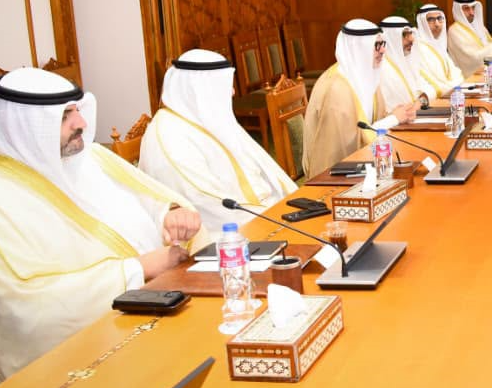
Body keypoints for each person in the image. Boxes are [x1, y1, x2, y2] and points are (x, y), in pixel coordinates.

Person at [0, 69, 205, 377]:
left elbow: (148, 199)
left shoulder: (91, 158)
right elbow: (27, 310)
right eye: (64, 116)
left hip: (164, 301)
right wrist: (138, 270)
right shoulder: (7, 197)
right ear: (25, 128)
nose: (81, 123)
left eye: (77, 111)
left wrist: (171, 214)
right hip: (92, 352)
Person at [139, 49, 298, 231]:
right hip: (223, 235)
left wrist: (294, 206)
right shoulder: (170, 137)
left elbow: (264, 168)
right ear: (199, 90)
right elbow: (210, 207)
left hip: (264, 214)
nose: (232, 92)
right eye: (223, 85)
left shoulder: (207, 119)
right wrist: (277, 219)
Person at [303, 19, 421, 176]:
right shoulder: (337, 88)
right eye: (376, 45)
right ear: (358, 49)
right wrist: (393, 119)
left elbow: (368, 123)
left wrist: (398, 115)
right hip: (333, 175)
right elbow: (345, 147)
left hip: (366, 166)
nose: (383, 51)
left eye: (383, 44)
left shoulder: (366, 75)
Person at [448, 0, 492, 76]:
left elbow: (490, 50)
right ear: (458, 10)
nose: (471, 12)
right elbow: (474, 59)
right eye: (466, 8)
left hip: (488, 73)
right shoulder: (454, 31)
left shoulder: (480, 27)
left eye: (473, 7)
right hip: (468, 78)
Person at [378, 16, 435, 110]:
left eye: (410, 34)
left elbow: (430, 89)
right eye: (404, 35)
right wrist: (419, 101)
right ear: (390, 38)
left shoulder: (408, 60)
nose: (411, 39)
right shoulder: (383, 68)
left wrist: (421, 101)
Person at [414, 3, 465, 97]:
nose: (437, 24)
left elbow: (457, 74)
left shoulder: (439, 46)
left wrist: (454, 88)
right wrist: (450, 89)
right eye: (431, 20)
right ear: (422, 23)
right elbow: (425, 83)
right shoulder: (417, 48)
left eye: (439, 18)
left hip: (451, 96)